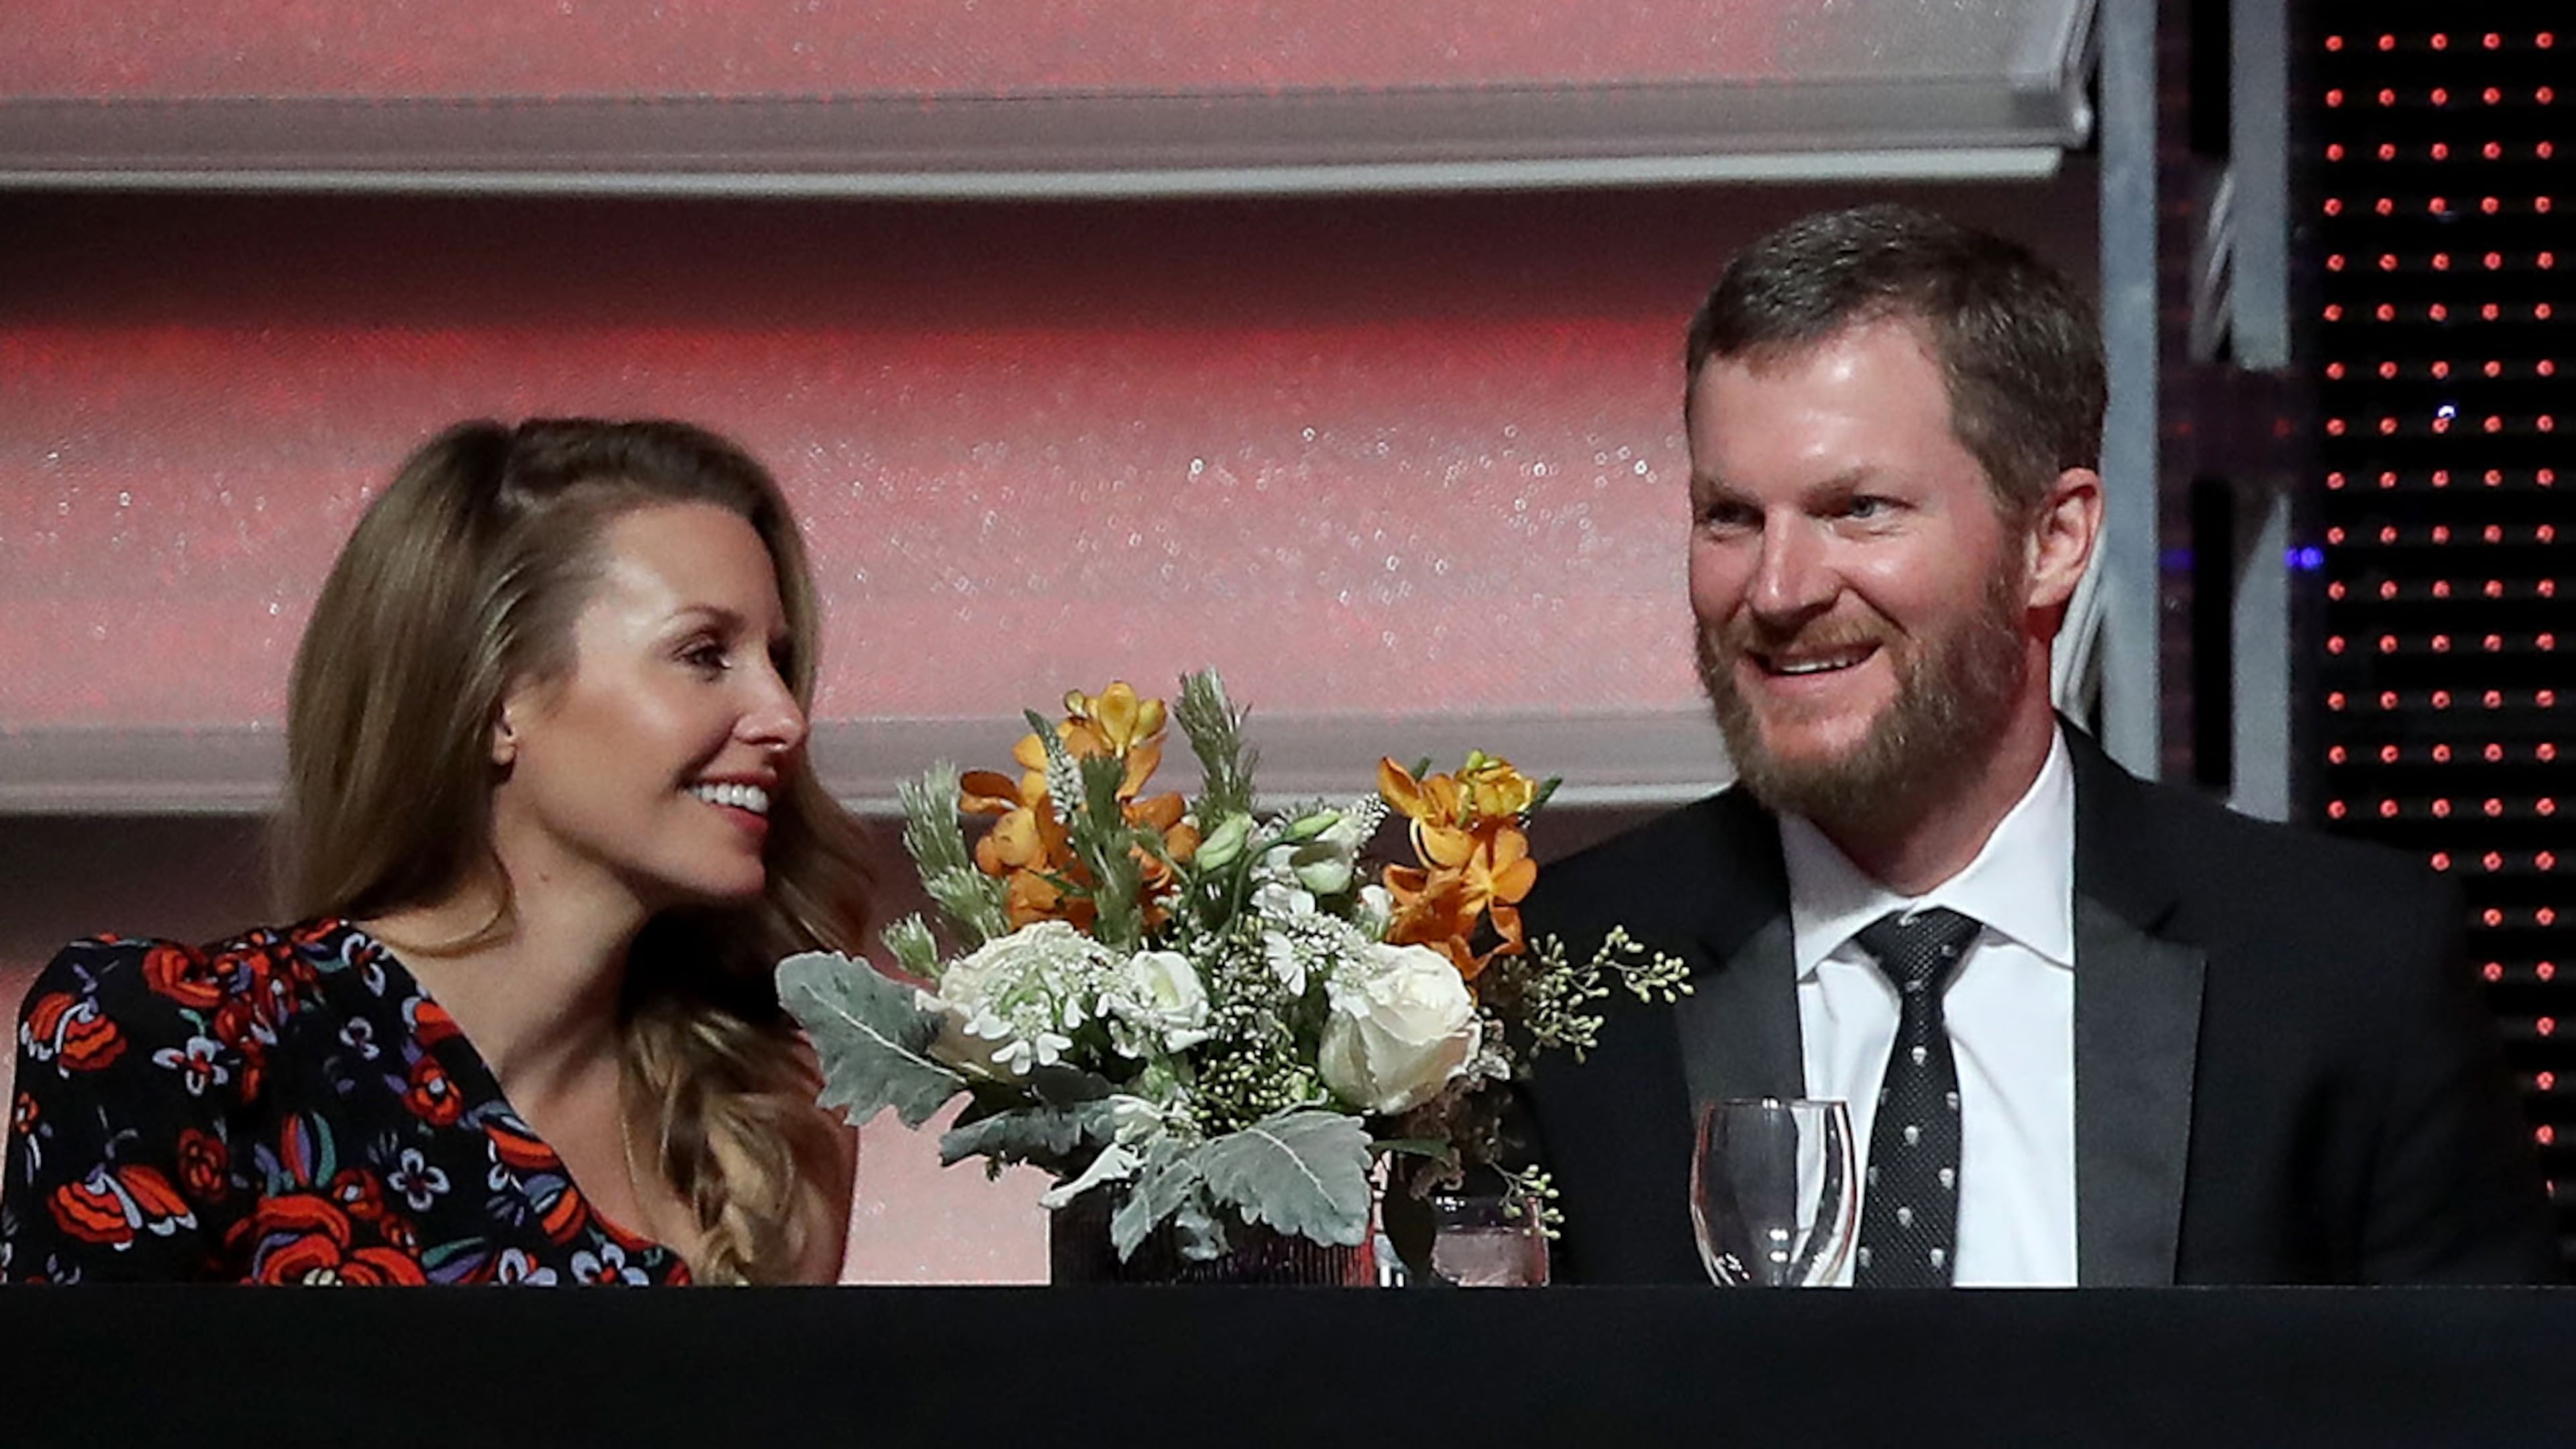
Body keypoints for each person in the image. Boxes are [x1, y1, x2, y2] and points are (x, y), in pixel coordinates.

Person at [1519, 205, 2558, 1286]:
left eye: (1859, 509)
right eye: (1730, 517)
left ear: (2053, 542)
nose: (1776, 590)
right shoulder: (1550, 983)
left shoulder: (2341, 976)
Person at [3, 419, 871, 1285]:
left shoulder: (772, 1131)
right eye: (704, 655)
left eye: (778, 662)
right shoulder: (173, 1039)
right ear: (499, 701)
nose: (784, 718)